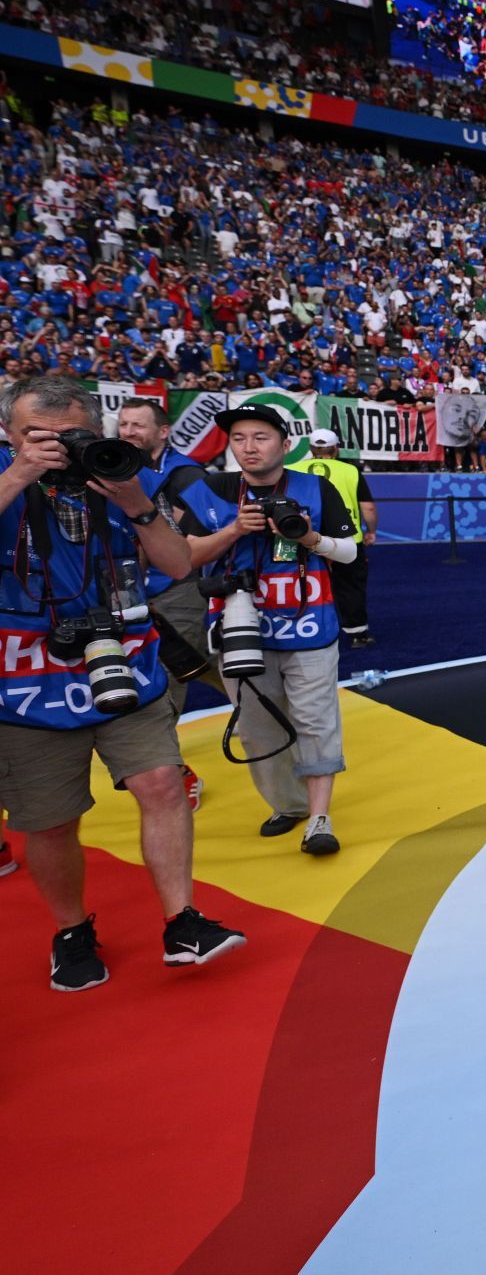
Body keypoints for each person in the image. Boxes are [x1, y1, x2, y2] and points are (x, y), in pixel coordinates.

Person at [0, 376, 244, 990]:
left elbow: (176, 563)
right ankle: (72, 930)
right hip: (28, 681)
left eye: (70, 438)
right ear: (9, 435)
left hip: (122, 657)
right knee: (51, 821)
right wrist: (20, 476)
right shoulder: (8, 480)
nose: (56, 450)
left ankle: (183, 921)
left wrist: (133, 499)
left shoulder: (114, 474)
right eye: (37, 438)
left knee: (162, 781)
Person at [176, 404, 358, 856]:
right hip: (241, 627)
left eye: (260, 437)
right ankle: (288, 804)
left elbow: (350, 553)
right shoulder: (212, 491)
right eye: (239, 439)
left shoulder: (315, 488)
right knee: (257, 728)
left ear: (283, 443)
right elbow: (184, 557)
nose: (249, 447)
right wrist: (235, 529)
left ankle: (319, 817)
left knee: (316, 719)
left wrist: (308, 539)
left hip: (310, 623)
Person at [115, 396, 210, 808]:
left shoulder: (184, 473)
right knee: (204, 661)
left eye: (138, 425)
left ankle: (175, 772)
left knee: (166, 675)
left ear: (163, 431)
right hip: (128, 589)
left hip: (177, 587)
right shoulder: (113, 465)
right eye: (123, 424)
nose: (128, 432)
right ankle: (265, 707)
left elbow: (210, 523)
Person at [288, 427, 379, 649]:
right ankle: (357, 633)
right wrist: (371, 531)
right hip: (345, 537)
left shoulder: (289, 469)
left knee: (300, 582)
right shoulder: (350, 470)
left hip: (300, 536)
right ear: (336, 448)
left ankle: (299, 628)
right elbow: (367, 507)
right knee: (350, 585)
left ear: (311, 449)